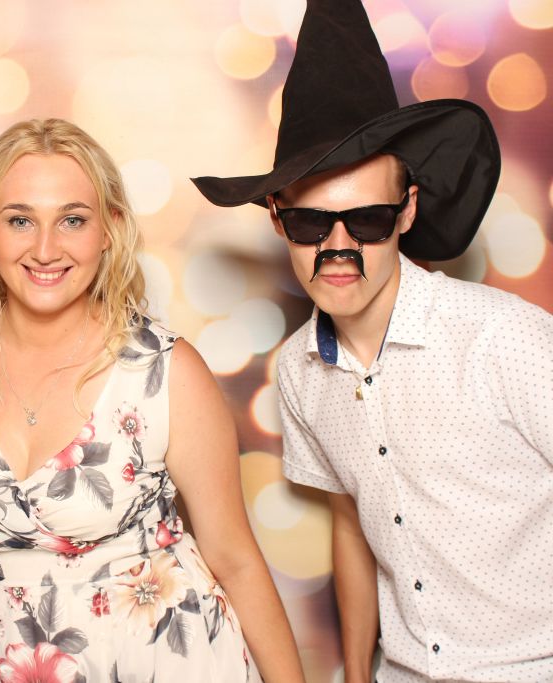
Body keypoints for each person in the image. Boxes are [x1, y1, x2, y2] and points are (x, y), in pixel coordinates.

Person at [191, 1, 553, 681]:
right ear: (278, 220)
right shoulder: (298, 371)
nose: (338, 247)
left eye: (367, 220)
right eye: (311, 223)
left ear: (407, 210)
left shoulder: (505, 339)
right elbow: (353, 525)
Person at [0, 118, 305, 682]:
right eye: (20, 220)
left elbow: (236, 559)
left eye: (73, 220)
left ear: (109, 229)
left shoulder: (166, 371)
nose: (45, 249)